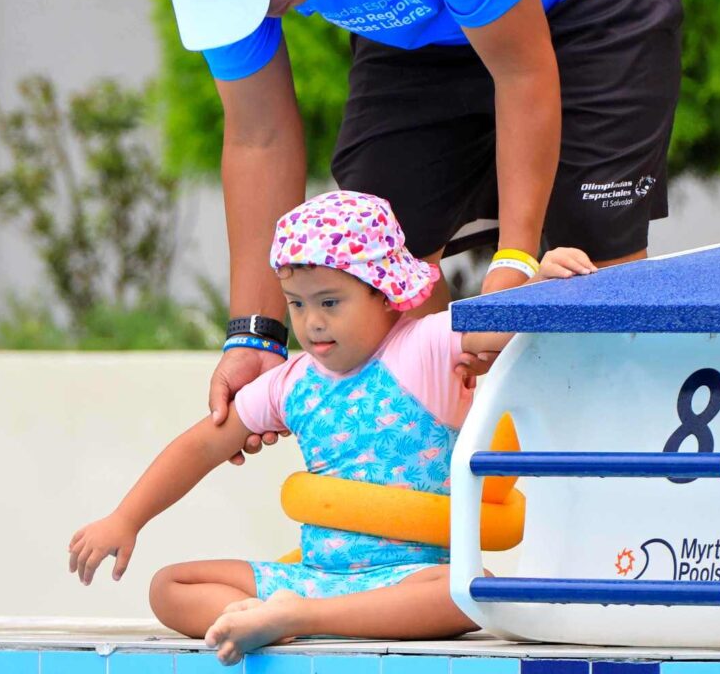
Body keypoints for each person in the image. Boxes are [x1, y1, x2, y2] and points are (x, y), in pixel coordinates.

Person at [129, 0, 682, 458]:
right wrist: (255, 335)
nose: (257, 11)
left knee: (588, 266)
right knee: (371, 265)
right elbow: (257, 134)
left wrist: (515, 262)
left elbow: (521, 72)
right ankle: (461, 472)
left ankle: (614, 482)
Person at [68, 191, 597, 663]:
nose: (311, 322)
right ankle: (272, 616)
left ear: (384, 292)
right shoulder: (291, 382)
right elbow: (202, 444)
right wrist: (125, 518)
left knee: (467, 592)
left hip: (405, 579)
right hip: (314, 575)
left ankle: (295, 621)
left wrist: (543, 285)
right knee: (169, 586)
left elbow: (506, 329)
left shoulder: (429, 345)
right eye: (296, 305)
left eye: (329, 302)